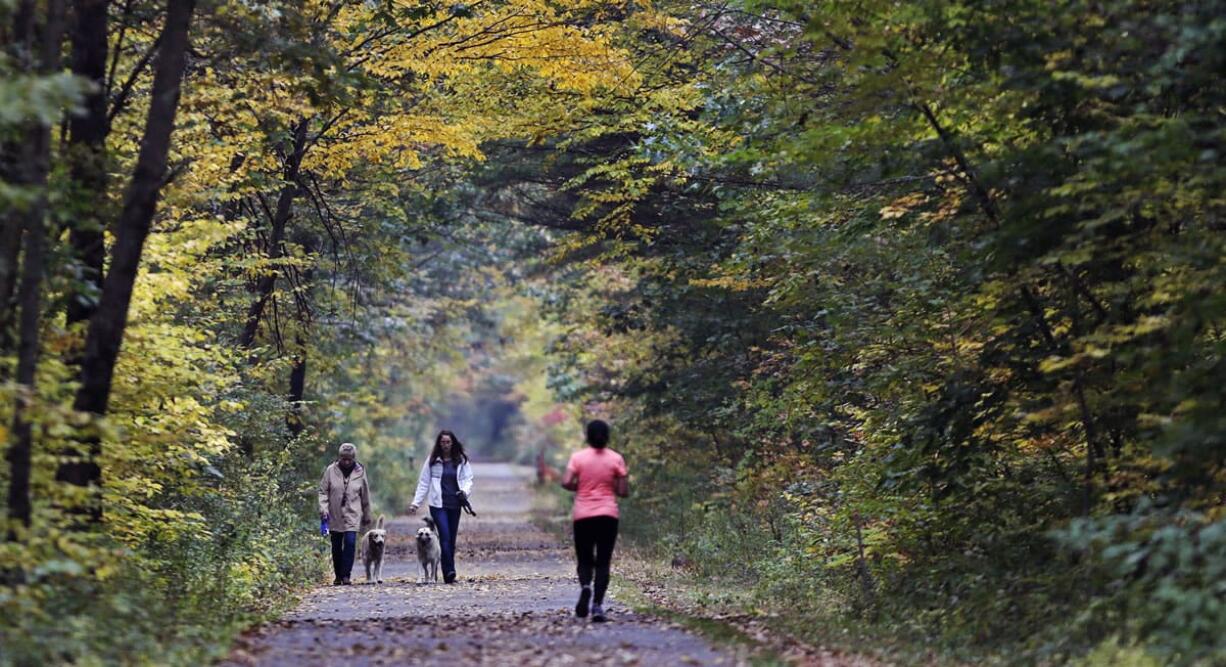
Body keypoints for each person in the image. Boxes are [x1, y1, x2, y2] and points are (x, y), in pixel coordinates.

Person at [560, 419, 628, 623]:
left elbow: (565, 482)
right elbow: (624, 491)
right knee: (603, 561)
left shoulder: (578, 458)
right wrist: (610, 488)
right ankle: (597, 605)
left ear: (587, 436)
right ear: (607, 436)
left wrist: (579, 488)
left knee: (585, 558)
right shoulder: (616, 459)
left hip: (583, 515)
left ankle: (586, 587)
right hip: (608, 515)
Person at [409, 430, 474, 584]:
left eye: (448, 442)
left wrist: (464, 492)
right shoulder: (432, 461)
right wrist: (415, 503)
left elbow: (468, 479)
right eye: (442, 442)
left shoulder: (461, 460)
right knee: (444, 536)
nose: (445, 445)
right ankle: (450, 571)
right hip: (437, 505)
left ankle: (447, 573)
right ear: (439, 443)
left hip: (455, 504)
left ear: (453, 443)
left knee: (451, 539)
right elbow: (424, 482)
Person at [318, 442, 373, 585]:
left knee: (349, 543)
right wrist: (323, 508)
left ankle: (346, 575)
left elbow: (365, 494)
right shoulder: (331, 470)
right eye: (344, 458)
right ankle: (338, 576)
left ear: (354, 458)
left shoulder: (360, 471)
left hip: (353, 513)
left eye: (349, 459)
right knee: (336, 546)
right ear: (339, 457)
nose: (347, 461)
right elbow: (323, 491)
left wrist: (367, 514)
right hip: (334, 514)